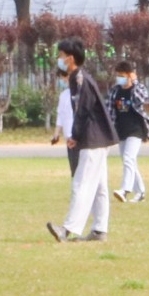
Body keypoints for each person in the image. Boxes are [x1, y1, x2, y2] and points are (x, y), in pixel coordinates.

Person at [46, 38, 117, 243]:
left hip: (93, 139)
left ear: (70, 59)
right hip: (97, 138)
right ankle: (99, 230)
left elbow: (84, 111)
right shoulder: (78, 78)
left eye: (60, 56)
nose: (59, 60)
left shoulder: (80, 79)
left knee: (81, 183)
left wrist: (75, 136)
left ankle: (67, 229)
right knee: (99, 186)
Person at [108, 61, 149, 203]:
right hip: (121, 130)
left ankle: (125, 190)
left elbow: (142, 98)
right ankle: (140, 192)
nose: (119, 78)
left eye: (122, 75)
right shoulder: (115, 91)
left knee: (128, 158)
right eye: (118, 75)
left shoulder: (136, 89)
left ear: (129, 75)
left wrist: (135, 81)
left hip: (136, 130)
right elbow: (109, 111)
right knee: (129, 162)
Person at [49, 66, 76, 177]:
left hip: (78, 136)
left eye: (63, 78)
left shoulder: (79, 93)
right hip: (68, 137)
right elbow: (60, 115)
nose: (62, 81)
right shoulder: (64, 95)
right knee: (74, 169)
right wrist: (56, 134)